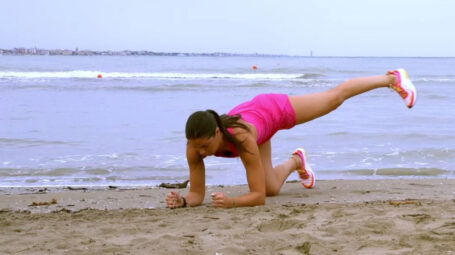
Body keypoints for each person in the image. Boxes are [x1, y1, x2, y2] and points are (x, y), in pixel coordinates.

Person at [165, 69, 417, 208]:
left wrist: (231, 202)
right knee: (273, 188)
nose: (200, 153)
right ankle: (298, 161)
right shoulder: (194, 146)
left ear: (217, 133)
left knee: (333, 99)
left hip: (273, 110)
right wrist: (184, 201)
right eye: (195, 147)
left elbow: (257, 198)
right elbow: (197, 193)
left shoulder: (241, 139)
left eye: (205, 147)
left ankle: (392, 79)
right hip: (257, 125)